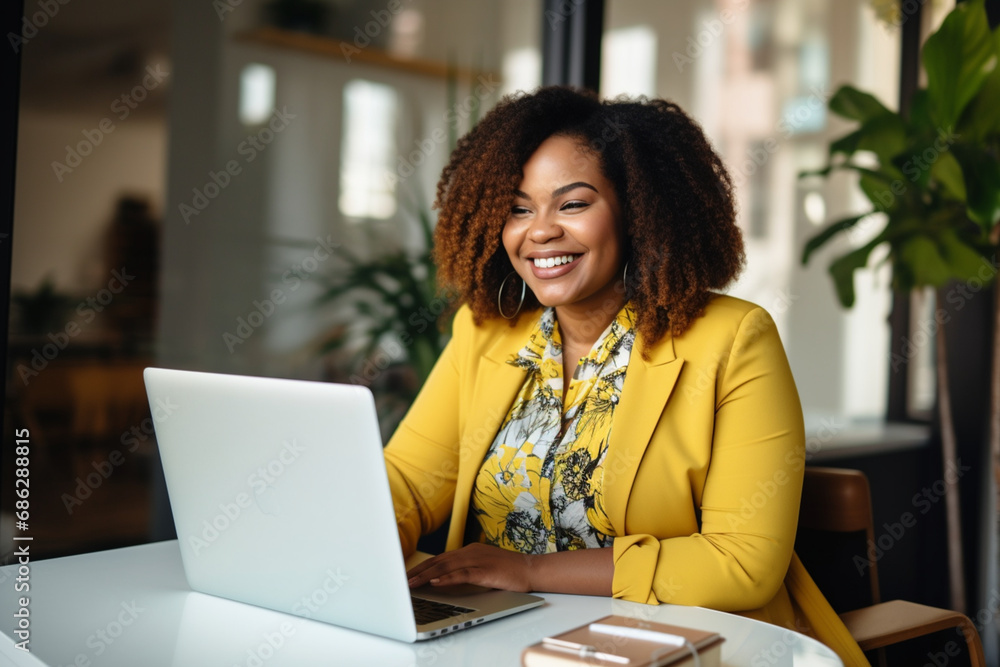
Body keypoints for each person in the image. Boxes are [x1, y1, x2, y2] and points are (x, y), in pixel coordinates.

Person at [384, 86, 869, 666]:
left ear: (638, 212)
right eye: (518, 207)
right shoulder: (487, 332)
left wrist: (532, 570)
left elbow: (741, 563)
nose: (538, 231)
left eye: (572, 204)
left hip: (680, 647)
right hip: (505, 642)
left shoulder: (733, 339)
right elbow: (408, 484)